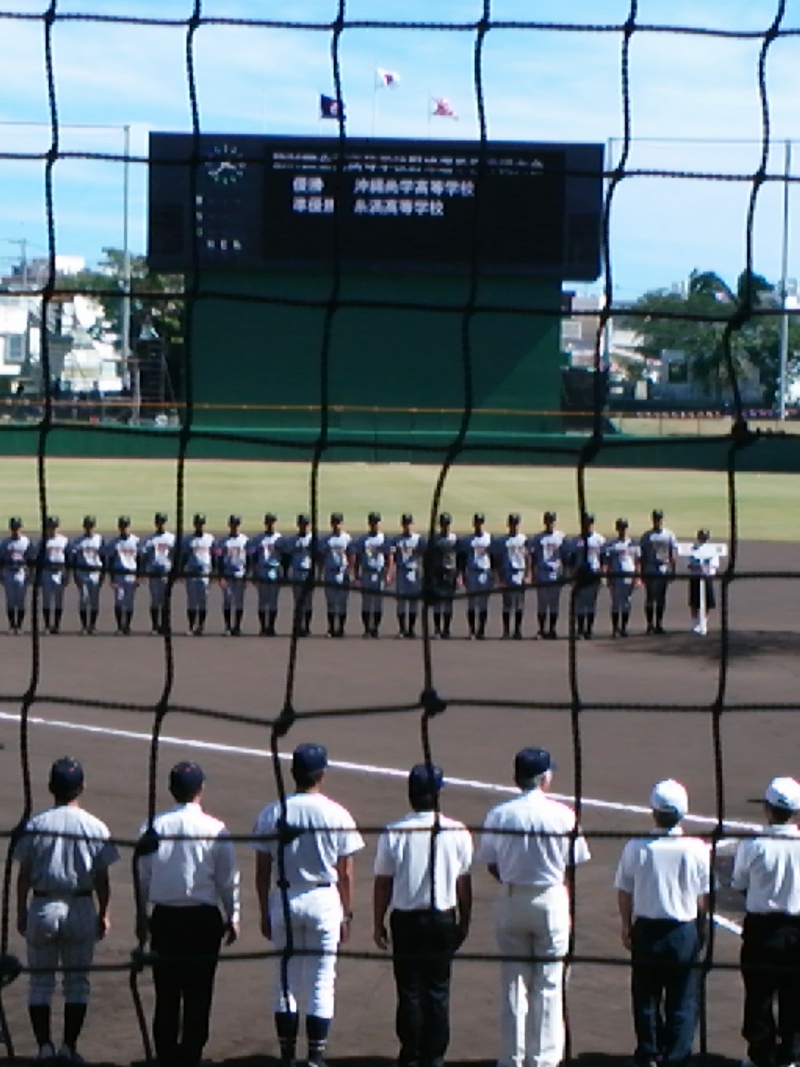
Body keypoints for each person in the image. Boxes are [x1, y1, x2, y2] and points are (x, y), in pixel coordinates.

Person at [252, 743, 364, 1067]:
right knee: (321, 980)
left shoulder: (273, 811)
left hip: (284, 899)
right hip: (324, 899)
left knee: (285, 980)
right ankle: (315, 1057)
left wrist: (264, 910)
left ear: (293, 773)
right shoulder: (336, 813)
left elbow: (262, 870)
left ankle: (288, 1056)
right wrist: (347, 913)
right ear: (322, 774)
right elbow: (345, 872)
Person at [477, 747, 590, 1067]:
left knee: (514, 983)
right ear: (543, 778)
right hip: (550, 899)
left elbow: (491, 862)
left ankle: (511, 1060)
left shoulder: (500, 814)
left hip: (512, 900)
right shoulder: (563, 814)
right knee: (549, 985)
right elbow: (574, 861)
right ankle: (543, 1061)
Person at [14, 757, 119, 1063]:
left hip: (43, 906)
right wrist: (104, 913)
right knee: (77, 983)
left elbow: (23, 875)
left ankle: (44, 1049)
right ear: (82, 787)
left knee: (40, 982)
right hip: (81, 906)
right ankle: (68, 1048)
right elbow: (102, 878)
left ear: (51, 788)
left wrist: (21, 911)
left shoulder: (35, 824)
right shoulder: (95, 826)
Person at [136, 761, 240, 1067]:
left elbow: (142, 876)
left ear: (171, 790)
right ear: (200, 789)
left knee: (166, 991)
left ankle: (166, 1054)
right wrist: (233, 915)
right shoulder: (216, 828)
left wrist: (141, 917)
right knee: (199, 991)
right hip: (203, 920)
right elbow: (228, 878)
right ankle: (192, 1054)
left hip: (165, 919)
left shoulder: (151, 827)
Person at [373, 763, 473, 1067]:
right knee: (438, 991)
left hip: (405, 921)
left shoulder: (394, 831)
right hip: (442, 919)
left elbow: (383, 882)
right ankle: (435, 1056)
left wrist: (377, 922)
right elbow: (463, 884)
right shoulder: (457, 830)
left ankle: (410, 1053)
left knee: (410, 991)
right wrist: (464, 922)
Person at [614, 779, 711, 1067]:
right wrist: (701, 929)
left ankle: (649, 1054)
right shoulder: (696, 849)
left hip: (647, 931)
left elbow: (624, 890)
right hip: (683, 931)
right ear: (683, 812)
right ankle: (677, 1058)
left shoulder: (636, 847)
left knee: (646, 999)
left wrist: (625, 925)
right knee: (683, 1000)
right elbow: (704, 897)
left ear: (653, 812)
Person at [731, 776, 800, 1067]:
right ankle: (792, 1055)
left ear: (768, 810)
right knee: (794, 995)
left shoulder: (754, 844)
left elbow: (739, 882)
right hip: (797, 929)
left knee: (758, 996)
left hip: (762, 930)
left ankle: (761, 1055)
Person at [352, 511, 393, 638]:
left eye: (377, 522)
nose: (375, 524)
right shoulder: (363, 539)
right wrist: (356, 574)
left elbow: (389, 557)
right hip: (366, 572)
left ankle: (375, 628)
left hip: (379, 573)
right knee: (366, 602)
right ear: (369, 523)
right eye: (373, 522)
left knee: (378, 602)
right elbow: (357, 557)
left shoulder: (384, 538)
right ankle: (366, 629)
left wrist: (388, 573)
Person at [566, 512, 606, 640]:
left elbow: (603, 559)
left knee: (590, 603)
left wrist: (603, 575)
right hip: (580, 574)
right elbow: (571, 560)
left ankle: (589, 629)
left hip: (594, 573)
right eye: (585, 523)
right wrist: (571, 575)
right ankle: (580, 629)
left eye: (589, 523)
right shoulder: (576, 541)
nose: (587, 525)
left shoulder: (599, 540)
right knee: (580, 604)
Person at [528, 511, 566, 639]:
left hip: (555, 573)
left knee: (554, 604)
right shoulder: (539, 538)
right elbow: (532, 556)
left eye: (552, 521)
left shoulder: (561, 537)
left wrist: (564, 573)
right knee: (542, 604)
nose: (550, 523)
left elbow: (565, 556)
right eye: (548, 521)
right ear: (545, 522)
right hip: (542, 572)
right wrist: (532, 573)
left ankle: (552, 629)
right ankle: (541, 630)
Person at [640, 509, 678, 635]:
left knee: (661, 597)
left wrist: (673, 568)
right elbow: (643, 554)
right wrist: (642, 571)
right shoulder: (647, 536)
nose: (658, 521)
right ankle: (650, 624)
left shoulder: (669, 535)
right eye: (656, 518)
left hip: (663, 568)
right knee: (650, 597)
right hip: (650, 568)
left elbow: (672, 553)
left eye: (660, 518)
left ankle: (659, 623)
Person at [248, 511, 284, 636]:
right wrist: (253, 571)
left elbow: (284, 557)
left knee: (273, 601)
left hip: (274, 570)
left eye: (272, 522)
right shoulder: (258, 539)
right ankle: (263, 627)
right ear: (265, 523)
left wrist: (283, 572)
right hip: (262, 569)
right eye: (268, 522)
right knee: (263, 601)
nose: (270, 524)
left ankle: (271, 627)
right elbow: (252, 554)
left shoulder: (280, 539)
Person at [603, 517, 640, 638]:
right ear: (617, 529)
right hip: (616, 576)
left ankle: (623, 627)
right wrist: (607, 577)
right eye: (620, 528)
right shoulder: (611, 545)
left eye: (624, 528)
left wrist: (637, 577)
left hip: (629, 575)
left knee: (626, 602)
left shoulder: (633, 545)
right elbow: (607, 563)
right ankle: (615, 628)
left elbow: (637, 562)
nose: (623, 530)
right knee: (615, 603)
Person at [103, 515, 140, 635]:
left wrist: (139, 576)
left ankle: (127, 626)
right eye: (122, 526)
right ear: (119, 527)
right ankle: (119, 626)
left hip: (132, 574)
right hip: (119, 574)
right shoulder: (114, 543)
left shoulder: (136, 541)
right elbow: (110, 561)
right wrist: (112, 578)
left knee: (129, 601)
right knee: (119, 600)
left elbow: (139, 560)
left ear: (129, 526)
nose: (124, 528)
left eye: (126, 526)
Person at [179, 514, 215, 636]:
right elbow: (183, 557)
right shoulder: (188, 540)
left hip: (205, 572)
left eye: (202, 523)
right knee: (192, 601)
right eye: (198, 523)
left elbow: (214, 556)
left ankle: (201, 625)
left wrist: (214, 573)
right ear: (194, 524)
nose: (200, 525)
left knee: (203, 600)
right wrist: (180, 571)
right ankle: (191, 626)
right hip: (191, 572)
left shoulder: (210, 539)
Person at [496, 512, 529, 640]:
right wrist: (500, 577)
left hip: (520, 572)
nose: (514, 526)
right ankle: (506, 631)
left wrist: (528, 574)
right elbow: (499, 560)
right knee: (507, 604)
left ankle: (518, 630)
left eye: (516, 523)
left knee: (519, 603)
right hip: (508, 572)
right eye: (512, 523)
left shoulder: (524, 539)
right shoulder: (503, 541)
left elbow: (528, 558)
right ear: (508, 524)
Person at [425, 512, 459, 639]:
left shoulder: (454, 539)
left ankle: (446, 629)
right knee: (438, 603)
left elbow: (460, 557)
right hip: (438, 572)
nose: (446, 527)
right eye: (444, 524)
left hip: (450, 572)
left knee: (448, 602)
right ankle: (437, 629)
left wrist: (459, 574)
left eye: (447, 524)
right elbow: (429, 558)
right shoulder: (435, 540)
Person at [141, 512, 175, 636]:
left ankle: (165, 625)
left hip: (166, 573)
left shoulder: (171, 538)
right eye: (158, 522)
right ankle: (155, 625)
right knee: (155, 600)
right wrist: (142, 572)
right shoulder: (150, 539)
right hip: (154, 573)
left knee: (165, 601)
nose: (160, 524)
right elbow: (144, 556)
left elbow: (176, 555)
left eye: (162, 522)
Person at [460, 512, 493, 640]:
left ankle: (481, 630)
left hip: (485, 573)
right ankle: (472, 630)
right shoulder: (467, 540)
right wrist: (462, 574)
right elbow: (462, 559)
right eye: (477, 522)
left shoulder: (489, 538)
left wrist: (494, 574)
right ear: (473, 524)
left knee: (483, 604)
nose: (479, 524)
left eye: (481, 522)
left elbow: (494, 558)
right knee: (471, 604)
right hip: (472, 572)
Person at [69, 516, 104, 635]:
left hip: (95, 572)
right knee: (84, 599)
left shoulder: (99, 540)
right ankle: (84, 626)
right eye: (87, 526)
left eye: (91, 526)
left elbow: (103, 557)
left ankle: (93, 626)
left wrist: (102, 576)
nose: (89, 528)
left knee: (94, 600)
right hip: (82, 572)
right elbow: (73, 559)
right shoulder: (78, 541)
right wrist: (74, 575)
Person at [320, 512, 352, 638]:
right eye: (334, 522)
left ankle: (341, 629)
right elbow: (321, 557)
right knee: (331, 602)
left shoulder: (347, 538)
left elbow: (352, 555)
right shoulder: (326, 540)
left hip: (343, 572)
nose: (336, 525)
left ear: (342, 523)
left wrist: (352, 571)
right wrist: (320, 572)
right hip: (330, 572)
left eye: (339, 522)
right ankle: (331, 628)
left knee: (343, 602)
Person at [393, 513, 425, 639]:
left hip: (414, 571)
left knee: (413, 601)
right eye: (405, 523)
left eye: (409, 523)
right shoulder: (397, 539)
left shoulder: (418, 539)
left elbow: (424, 554)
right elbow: (393, 556)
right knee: (401, 601)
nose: (408, 526)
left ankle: (411, 629)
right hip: (401, 571)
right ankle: (402, 629)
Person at [216, 514, 249, 636]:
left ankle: (237, 626)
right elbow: (219, 558)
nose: (234, 526)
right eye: (232, 524)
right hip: (227, 574)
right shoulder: (223, 542)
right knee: (227, 600)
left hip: (240, 573)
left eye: (236, 524)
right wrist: (220, 576)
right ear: (229, 525)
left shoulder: (245, 540)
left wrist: (248, 574)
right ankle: (228, 627)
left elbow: (250, 556)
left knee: (239, 601)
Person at [37, 516, 69, 635]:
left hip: (59, 572)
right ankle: (47, 625)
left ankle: (56, 625)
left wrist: (67, 574)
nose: (52, 529)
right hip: (46, 572)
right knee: (46, 600)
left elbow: (68, 557)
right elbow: (38, 559)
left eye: (54, 527)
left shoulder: (63, 540)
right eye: (50, 527)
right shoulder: (43, 541)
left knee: (58, 600)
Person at [285, 513, 315, 637]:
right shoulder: (292, 540)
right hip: (297, 572)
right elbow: (286, 557)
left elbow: (318, 557)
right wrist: (286, 573)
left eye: (306, 524)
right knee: (298, 602)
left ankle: (306, 627)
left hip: (308, 572)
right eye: (302, 523)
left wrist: (316, 573)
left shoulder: (314, 539)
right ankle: (298, 627)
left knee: (308, 602)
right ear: (298, 524)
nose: (304, 526)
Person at [0, 516, 31, 634]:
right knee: (11, 600)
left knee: (21, 600)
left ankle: (20, 625)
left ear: (21, 528)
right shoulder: (5, 543)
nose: (15, 530)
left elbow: (31, 559)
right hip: (8, 572)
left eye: (17, 527)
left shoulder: (26, 542)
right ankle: (12, 625)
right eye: (13, 528)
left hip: (21, 572)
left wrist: (30, 574)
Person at [686, 529, 720, 636]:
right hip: (696, 576)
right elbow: (689, 563)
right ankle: (695, 624)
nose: (703, 539)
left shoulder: (711, 550)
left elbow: (715, 564)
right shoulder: (693, 549)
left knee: (708, 602)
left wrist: (706, 568)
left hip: (707, 577)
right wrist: (697, 566)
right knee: (694, 602)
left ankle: (704, 623)